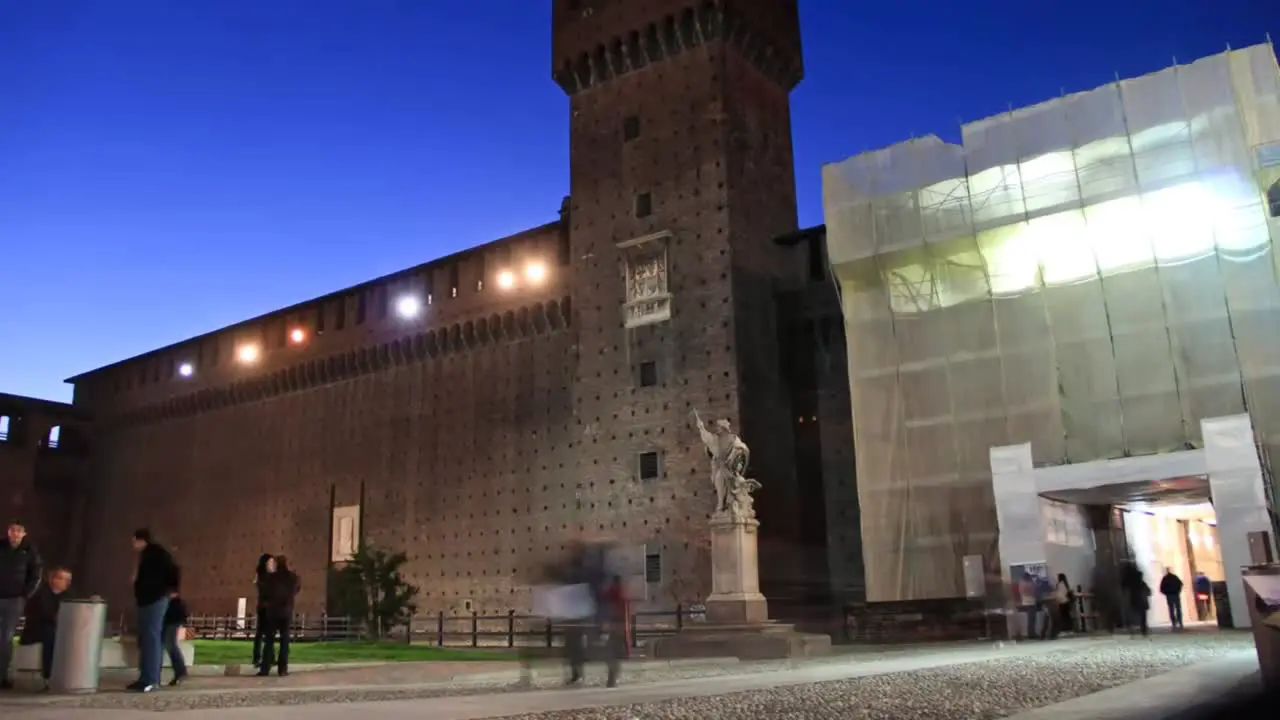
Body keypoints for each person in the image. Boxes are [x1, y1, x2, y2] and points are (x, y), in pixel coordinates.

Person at [129, 529, 180, 693]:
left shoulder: (156, 554)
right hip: (148, 598)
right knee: (146, 637)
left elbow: (173, 570)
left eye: (134, 541)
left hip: (154, 598)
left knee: (151, 637)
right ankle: (145, 677)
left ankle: (151, 679)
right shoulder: (150, 554)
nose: (133, 545)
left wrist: (171, 589)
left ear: (140, 540)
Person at [0, 519, 43, 690]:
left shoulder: (29, 551)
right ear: (8, 532)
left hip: (14, 599)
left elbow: (36, 574)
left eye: (19, 531)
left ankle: (3, 675)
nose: (15, 534)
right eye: (12, 530)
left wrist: (25, 594)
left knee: (6, 638)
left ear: (24, 533)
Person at [19, 567, 71, 691]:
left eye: (69, 580)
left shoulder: (69, 595)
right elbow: (42, 615)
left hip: (59, 629)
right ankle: (48, 676)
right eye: (63, 578)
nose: (67, 582)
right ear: (52, 579)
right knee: (51, 636)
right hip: (37, 630)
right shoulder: (40, 594)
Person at [258, 555, 299, 677]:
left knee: (269, 640)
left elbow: (264, 592)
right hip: (286, 612)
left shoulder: (271, 578)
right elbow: (296, 589)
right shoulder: (292, 578)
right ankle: (283, 668)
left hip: (273, 612)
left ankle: (265, 668)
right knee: (284, 640)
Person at [162, 589, 189, 686]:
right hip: (171, 623)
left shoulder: (174, 602)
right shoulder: (175, 602)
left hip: (171, 623)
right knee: (170, 646)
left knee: (171, 646)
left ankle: (180, 671)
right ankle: (180, 671)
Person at [1120, 561, 1151, 638]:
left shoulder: (1127, 579)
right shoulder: (1140, 581)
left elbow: (1123, 586)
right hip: (1141, 598)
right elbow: (1148, 591)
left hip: (1132, 598)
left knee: (1131, 614)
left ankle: (1132, 630)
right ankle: (1143, 630)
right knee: (1142, 615)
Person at [252, 554, 273, 668]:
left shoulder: (260, 575)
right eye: (270, 562)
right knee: (264, 633)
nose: (271, 565)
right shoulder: (264, 576)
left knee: (264, 633)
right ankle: (259, 657)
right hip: (265, 607)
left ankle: (263, 657)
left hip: (263, 606)